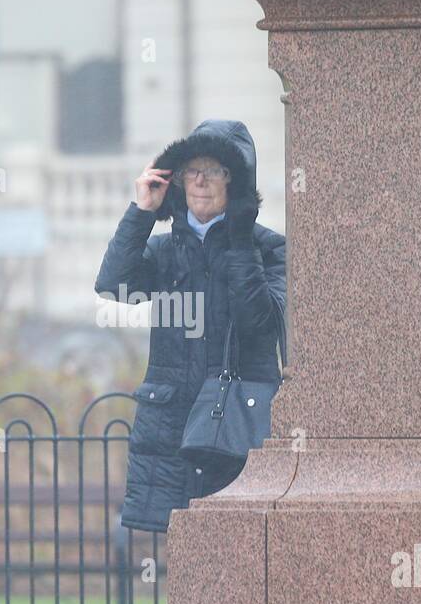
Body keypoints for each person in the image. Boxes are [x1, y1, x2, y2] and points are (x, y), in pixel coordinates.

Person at [94, 118, 286, 533]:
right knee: (184, 564)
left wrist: (238, 237)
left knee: (245, 552)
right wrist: (142, 211)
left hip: (238, 426)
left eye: (213, 170)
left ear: (235, 182)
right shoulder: (163, 250)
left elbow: (259, 321)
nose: (200, 181)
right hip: (172, 430)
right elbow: (114, 287)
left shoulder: (270, 250)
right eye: (191, 170)